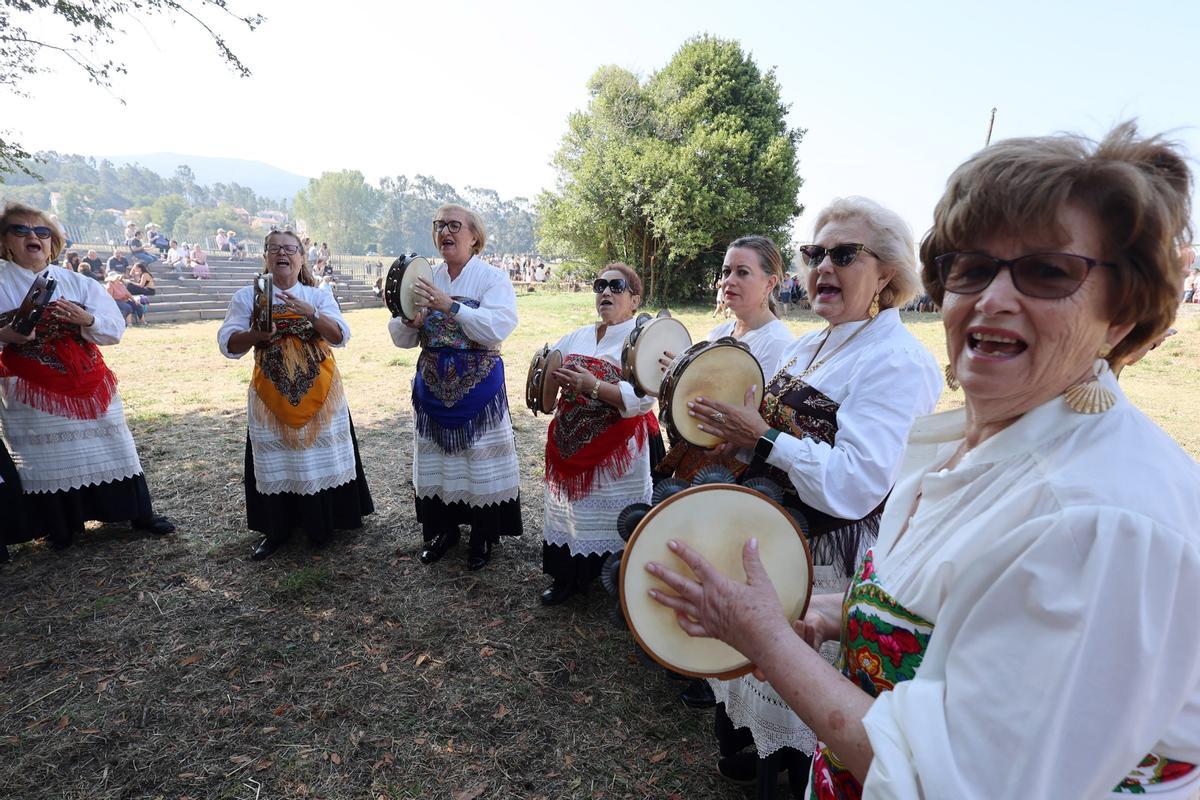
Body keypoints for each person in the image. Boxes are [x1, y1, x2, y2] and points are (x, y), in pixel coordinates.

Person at [648, 123, 1200, 799]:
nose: (993, 298)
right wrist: (835, 608)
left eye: (1048, 271)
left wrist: (769, 642)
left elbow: (952, 782)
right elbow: (949, 605)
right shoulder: (992, 442)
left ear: (1123, 313)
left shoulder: (1101, 522)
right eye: (971, 269)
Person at [673, 200, 942, 796]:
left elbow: (855, 484)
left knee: (800, 695)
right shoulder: (808, 346)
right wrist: (725, 430)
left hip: (825, 553)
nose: (823, 265)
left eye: (844, 254)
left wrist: (762, 437)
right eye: (816, 253)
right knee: (755, 683)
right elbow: (763, 434)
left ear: (889, 274)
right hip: (773, 535)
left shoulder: (896, 360)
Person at [0, 202, 174, 561]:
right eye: (21, 230)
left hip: (90, 382)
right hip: (31, 388)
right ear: (5, 241)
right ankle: (60, 526)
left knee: (114, 447)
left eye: (42, 232)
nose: (33, 236)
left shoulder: (77, 281)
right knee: (45, 457)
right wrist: (8, 334)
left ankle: (135, 513)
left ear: (53, 242)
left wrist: (86, 318)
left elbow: (114, 328)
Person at [217, 230, 374, 560]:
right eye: (274, 249)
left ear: (303, 258)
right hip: (270, 391)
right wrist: (254, 334)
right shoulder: (250, 296)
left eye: (290, 248)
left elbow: (340, 336)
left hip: (319, 390)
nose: (282, 254)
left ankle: (324, 525)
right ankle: (277, 529)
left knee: (317, 456)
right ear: (266, 257)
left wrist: (311, 314)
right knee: (277, 459)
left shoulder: (317, 294)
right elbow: (228, 343)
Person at [388, 204, 521, 571]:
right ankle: (442, 531)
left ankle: (482, 536)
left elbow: (498, 327)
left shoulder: (492, 278)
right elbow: (399, 336)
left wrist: (451, 307)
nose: (445, 231)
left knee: (477, 462)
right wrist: (411, 322)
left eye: (454, 225)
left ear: (474, 235)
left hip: (478, 387)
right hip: (432, 381)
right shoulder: (422, 276)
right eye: (439, 225)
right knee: (440, 462)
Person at [539, 263, 660, 605]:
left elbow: (644, 399)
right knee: (570, 511)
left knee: (610, 516)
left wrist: (594, 387)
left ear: (635, 299)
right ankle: (567, 578)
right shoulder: (577, 335)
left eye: (616, 287)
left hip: (615, 446)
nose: (605, 292)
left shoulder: (643, 336)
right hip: (568, 440)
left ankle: (616, 582)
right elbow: (547, 367)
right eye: (600, 285)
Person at [657, 235, 795, 486]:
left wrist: (727, 442)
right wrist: (679, 376)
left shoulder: (778, 343)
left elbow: (759, 421)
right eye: (726, 271)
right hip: (695, 459)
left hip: (733, 473)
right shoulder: (719, 332)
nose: (728, 281)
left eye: (742, 272)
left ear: (770, 283)